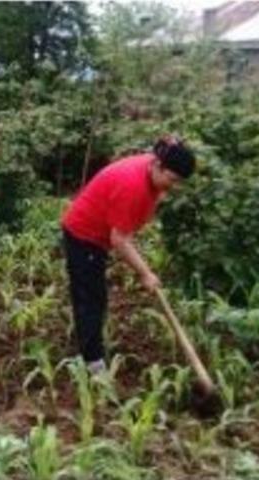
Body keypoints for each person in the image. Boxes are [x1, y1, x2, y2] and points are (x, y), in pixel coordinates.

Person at [61, 135, 195, 374]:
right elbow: (120, 239)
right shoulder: (133, 186)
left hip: (98, 232)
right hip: (84, 234)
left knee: (94, 296)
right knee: (91, 298)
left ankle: (86, 343)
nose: (173, 187)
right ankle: (93, 363)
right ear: (158, 165)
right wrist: (145, 273)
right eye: (172, 180)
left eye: (179, 182)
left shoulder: (152, 168)